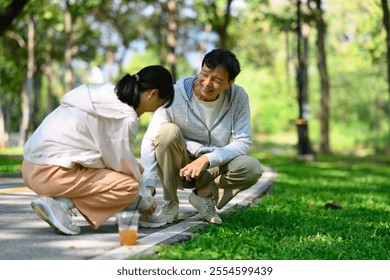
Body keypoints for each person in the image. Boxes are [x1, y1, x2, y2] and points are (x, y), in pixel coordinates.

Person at [22, 65, 174, 235]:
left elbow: (115, 156)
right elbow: (121, 165)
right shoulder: (125, 116)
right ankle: (61, 204)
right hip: (51, 174)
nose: (153, 111)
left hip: (30, 165)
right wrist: (146, 200)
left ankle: (130, 210)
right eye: (158, 105)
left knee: (134, 170)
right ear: (152, 93)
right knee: (129, 186)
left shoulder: (105, 93)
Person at [141, 49, 262, 225]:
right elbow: (150, 139)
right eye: (204, 74)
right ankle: (170, 202)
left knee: (251, 167)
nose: (207, 83)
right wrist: (149, 183)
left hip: (211, 167)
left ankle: (203, 195)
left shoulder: (238, 96)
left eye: (217, 80)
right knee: (167, 131)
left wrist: (206, 159)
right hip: (179, 166)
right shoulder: (175, 95)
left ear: (230, 83)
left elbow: (242, 142)